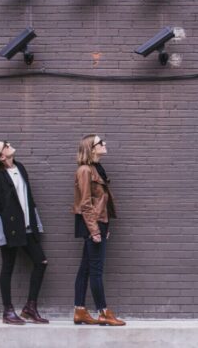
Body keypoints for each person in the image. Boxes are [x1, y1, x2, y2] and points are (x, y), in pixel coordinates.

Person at [0, 140, 49, 325]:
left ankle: (30, 307)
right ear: (1, 156)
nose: (9, 144)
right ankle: (8, 311)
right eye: (5, 145)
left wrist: (37, 223)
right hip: (9, 230)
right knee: (7, 268)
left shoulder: (20, 167)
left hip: (28, 228)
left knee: (41, 262)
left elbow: (29, 197)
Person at [72, 134, 125, 326]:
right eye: (100, 142)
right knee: (96, 270)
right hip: (91, 223)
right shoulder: (85, 171)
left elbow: (101, 201)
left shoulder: (96, 168)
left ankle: (79, 310)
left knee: (86, 268)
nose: (105, 143)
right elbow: (85, 203)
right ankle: (103, 312)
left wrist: (105, 225)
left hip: (97, 222)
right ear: (91, 149)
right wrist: (95, 230)